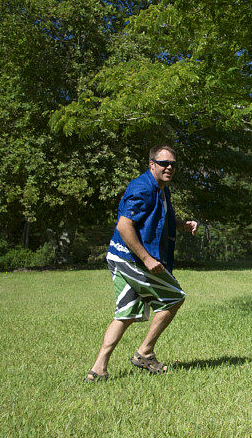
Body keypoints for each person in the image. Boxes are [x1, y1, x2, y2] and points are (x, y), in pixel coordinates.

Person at [85, 145, 198, 381]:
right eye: (164, 163)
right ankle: (144, 353)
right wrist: (147, 259)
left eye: (173, 164)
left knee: (125, 314)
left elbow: (161, 217)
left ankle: (98, 369)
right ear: (151, 164)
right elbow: (124, 226)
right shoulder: (143, 188)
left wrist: (182, 224)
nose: (169, 167)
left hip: (119, 256)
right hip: (130, 258)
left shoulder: (161, 188)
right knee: (174, 297)